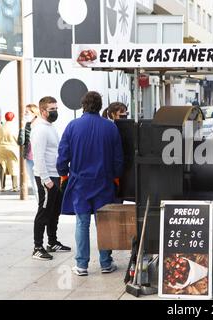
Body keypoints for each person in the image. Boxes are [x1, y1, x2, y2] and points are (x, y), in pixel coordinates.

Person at [57, 91, 123, 276]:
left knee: (82, 223)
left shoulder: (72, 126)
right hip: (104, 182)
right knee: (103, 224)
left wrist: (64, 175)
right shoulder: (110, 127)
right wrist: (116, 178)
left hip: (80, 184)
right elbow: (118, 159)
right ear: (100, 106)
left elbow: (62, 157)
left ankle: (82, 265)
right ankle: (105, 263)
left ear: (83, 105)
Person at [31, 97, 71, 261]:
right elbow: (38, 157)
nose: (55, 111)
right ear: (42, 111)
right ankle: (37, 247)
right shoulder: (40, 129)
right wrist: (46, 179)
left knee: (54, 211)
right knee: (44, 211)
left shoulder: (50, 127)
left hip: (55, 176)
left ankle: (52, 242)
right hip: (46, 177)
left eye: (56, 108)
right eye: (52, 109)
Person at [18, 104, 40, 201]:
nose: (24, 114)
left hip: (40, 158)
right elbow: (20, 142)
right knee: (34, 183)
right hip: (29, 158)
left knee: (43, 182)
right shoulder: (27, 125)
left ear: (34, 113)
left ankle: (46, 205)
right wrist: (22, 128)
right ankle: (40, 205)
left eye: (27, 112)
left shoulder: (41, 124)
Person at [0, 112, 19, 192]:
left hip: (1, 148)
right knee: (13, 166)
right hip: (13, 148)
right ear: (13, 118)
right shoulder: (16, 127)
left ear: (5, 117)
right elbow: (19, 139)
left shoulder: (0, 126)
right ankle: (15, 187)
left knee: (2, 165)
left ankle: (2, 187)